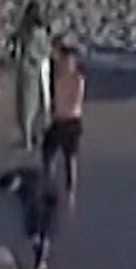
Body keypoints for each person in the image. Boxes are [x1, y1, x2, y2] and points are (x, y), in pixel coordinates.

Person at [0, 162, 60, 269]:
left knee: (42, 237)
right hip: (42, 194)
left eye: (11, 191)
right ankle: (40, 260)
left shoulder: (32, 191)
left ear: (15, 183)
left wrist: (35, 231)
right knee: (33, 235)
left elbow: (34, 211)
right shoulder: (18, 176)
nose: (11, 194)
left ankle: (39, 268)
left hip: (50, 204)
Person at [43, 40, 86, 205]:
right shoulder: (57, 77)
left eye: (67, 61)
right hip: (58, 121)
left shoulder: (77, 79)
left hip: (71, 122)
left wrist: (57, 111)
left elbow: (74, 103)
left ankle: (70, 192)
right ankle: (49, 184)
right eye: (63, 60)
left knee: (70, 158)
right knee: (48, 151)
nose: (64, 64)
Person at [12, 0, 53, 153]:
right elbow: (45, 51)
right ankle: (38, 136)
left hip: (26, 70)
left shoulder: (23, 30)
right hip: (40, 68)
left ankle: (28, 139)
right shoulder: (41, 30)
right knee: (41, 104)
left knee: (26, 105)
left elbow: (18, 50)